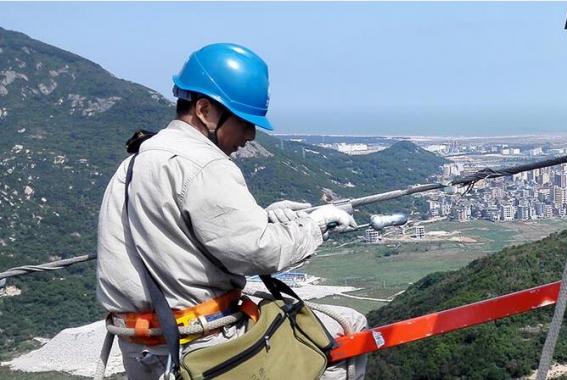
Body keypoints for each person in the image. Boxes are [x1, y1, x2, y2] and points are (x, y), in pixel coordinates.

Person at [96, 43, 367, 379]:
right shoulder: (203, 163)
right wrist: (313, 225)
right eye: (243, 122)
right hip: (206, 345)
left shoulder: (133, 165)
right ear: (206, 110)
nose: (250, 134)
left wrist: (263, 218)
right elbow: (260, 252)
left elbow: (182, 238)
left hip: (143, 348)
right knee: (346, 328)